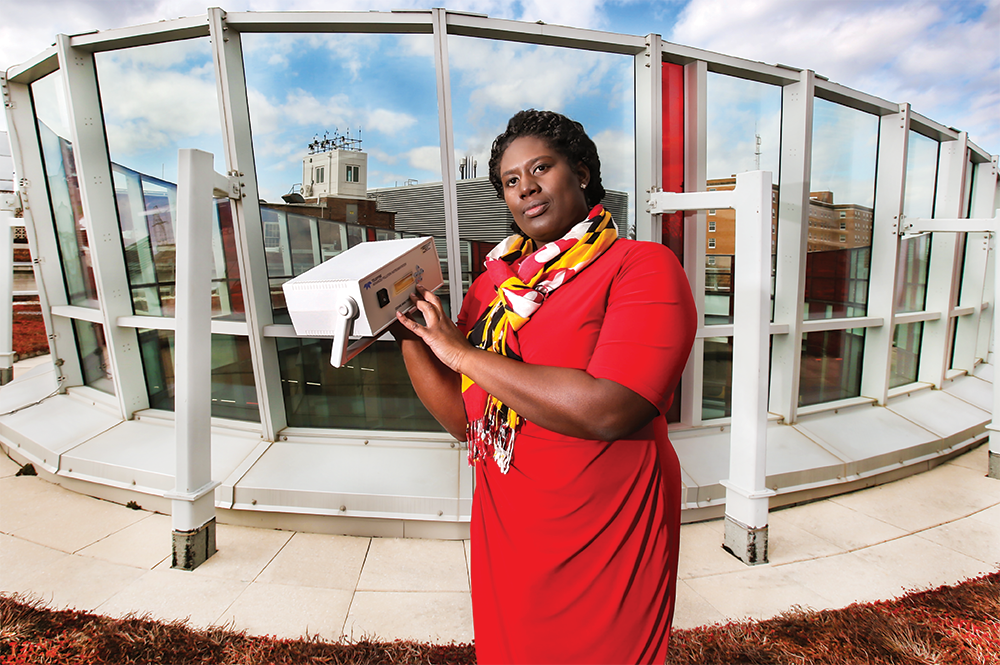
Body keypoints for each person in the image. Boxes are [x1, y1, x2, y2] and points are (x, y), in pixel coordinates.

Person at [394, 109, 696, 665]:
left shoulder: (641, 266)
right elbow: (468, 421)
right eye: (510, 180)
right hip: (508, 520)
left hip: (606, 521)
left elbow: (612, 409)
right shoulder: (493, 285)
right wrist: (410, 334)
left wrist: (459, 351)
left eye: (541, 168)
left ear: (581, 172)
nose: (525, 188)